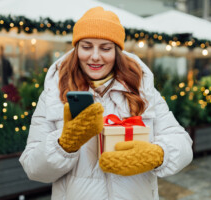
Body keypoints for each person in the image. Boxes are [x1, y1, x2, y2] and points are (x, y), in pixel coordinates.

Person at [19, 7, 193, 200]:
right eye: (86, 46)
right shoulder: (53, 93)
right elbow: (33, 168)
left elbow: (183, 144)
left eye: (105, 48)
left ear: (117, 51)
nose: (95, 56)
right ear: (76, 49)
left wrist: (157, 154)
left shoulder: (142, 89)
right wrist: (64, 145)